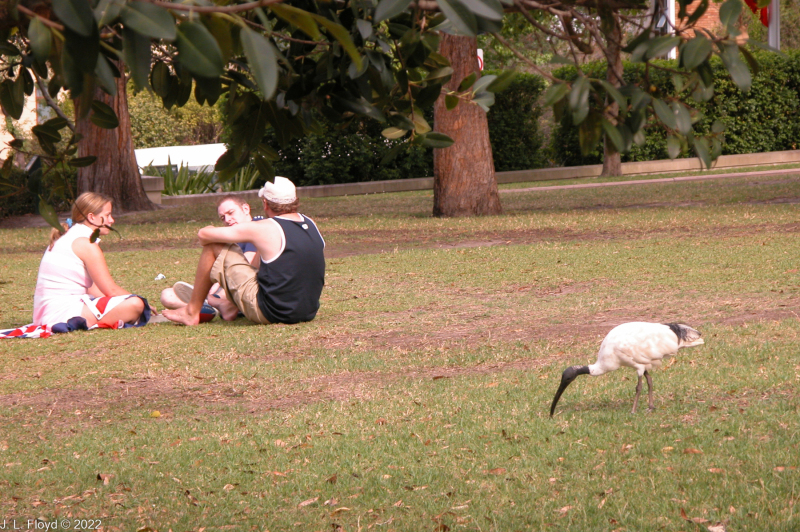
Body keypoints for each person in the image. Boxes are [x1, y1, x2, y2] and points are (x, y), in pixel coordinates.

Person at [163, 176, 325, 326]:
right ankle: (228, 305)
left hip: (273, 313)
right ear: (295, 201)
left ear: (265, 203)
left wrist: (210, 228)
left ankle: (191, 312)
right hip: (307, 311)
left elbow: (203, 236)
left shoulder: (264, 227)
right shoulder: (311, 224)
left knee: (214, 246)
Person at [33, 192, 150, 331]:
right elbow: (111, 290)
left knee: (132, 303)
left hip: (46, 314)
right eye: (107, 215)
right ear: (91, 217)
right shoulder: (87, 244)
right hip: (60, 315)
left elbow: (92, 288)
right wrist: (139, 302)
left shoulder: (70, 236)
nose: (111, 220)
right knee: (136, 304)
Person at [159, 195, 264, 310]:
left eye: (231, 213)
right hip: (225, 287)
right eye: (222, 218)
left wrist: (217, 285)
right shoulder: (233, 236)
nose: (227, 220)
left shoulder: (257, 225)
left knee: (219, 292)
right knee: (167, 295)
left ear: (245, 209)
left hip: (244, 285)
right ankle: (211, 307)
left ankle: (209, 304)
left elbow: (247, 265)